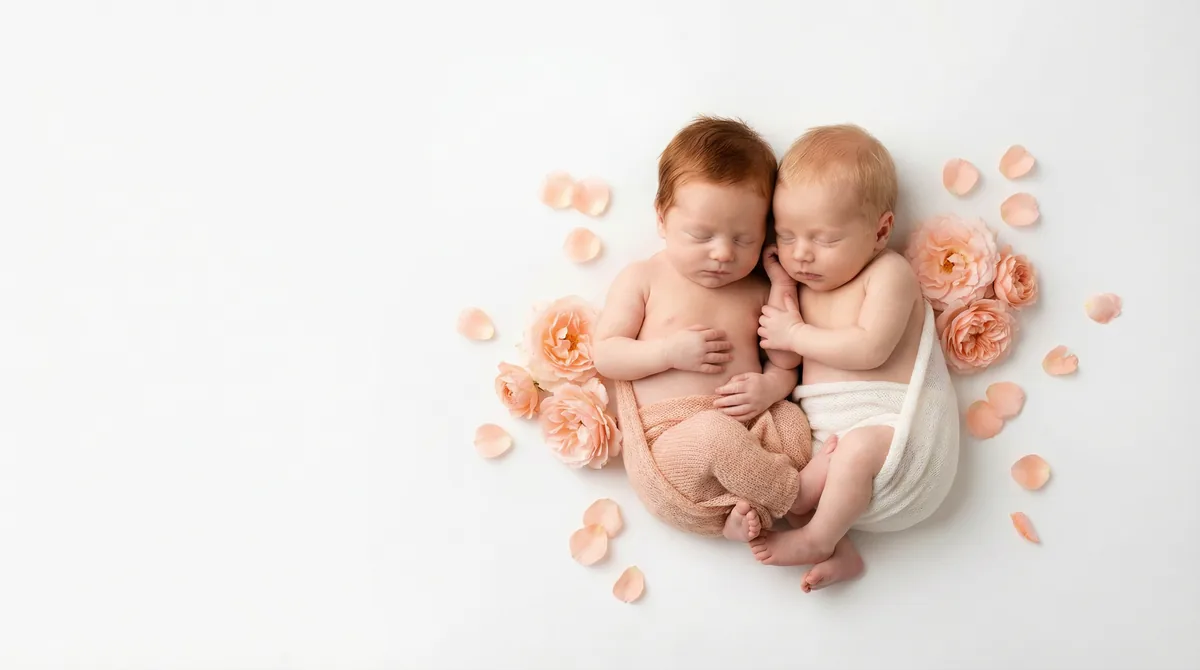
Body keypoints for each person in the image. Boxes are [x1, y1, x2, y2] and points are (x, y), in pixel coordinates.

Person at [751, 124, 959, 592]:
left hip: (895, 443)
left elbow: (869, 348)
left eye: (824, 240)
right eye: (786, 236)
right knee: (793, 482)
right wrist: (781, 288)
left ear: (881, 231)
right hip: (830, 443)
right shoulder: (800, 285)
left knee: (856, 451)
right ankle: (842, 550)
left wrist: (797, 332)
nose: (802, 255)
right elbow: (783, 354)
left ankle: (818, 539)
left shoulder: (887, 274)